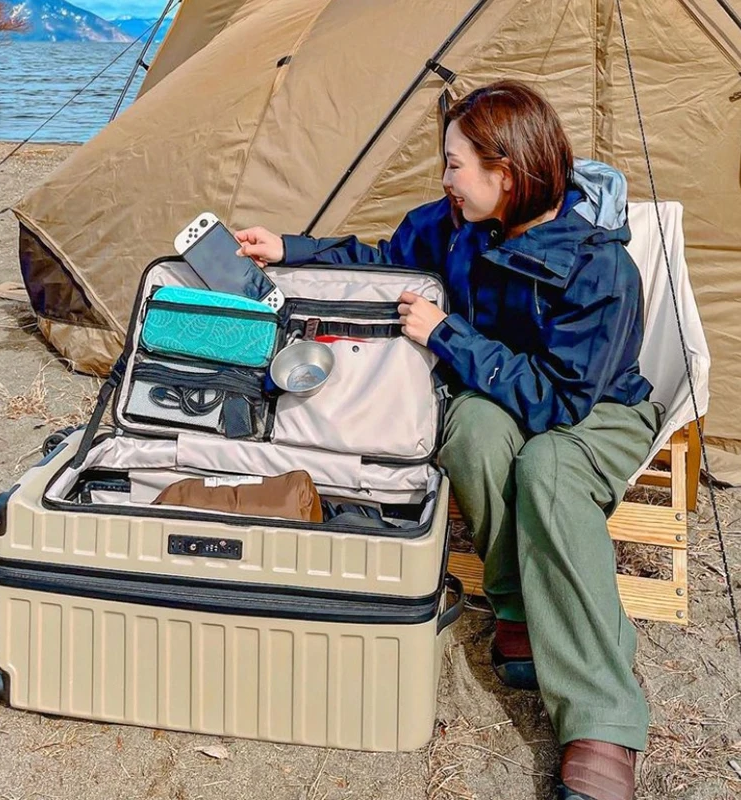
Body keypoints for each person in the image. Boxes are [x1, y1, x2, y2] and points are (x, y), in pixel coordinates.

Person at [235, 80, 658, 800]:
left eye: (456, 165)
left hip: (597, 411)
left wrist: (449, 335)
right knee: (472, 433)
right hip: (499, 391)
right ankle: (520, 612)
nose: (445, 178)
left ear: (507, 172)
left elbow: (560, 401)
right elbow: (384, 262)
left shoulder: (599, 266)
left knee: (549, 467)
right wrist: (292, 248)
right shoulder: (459, 225)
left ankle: (603, 720)